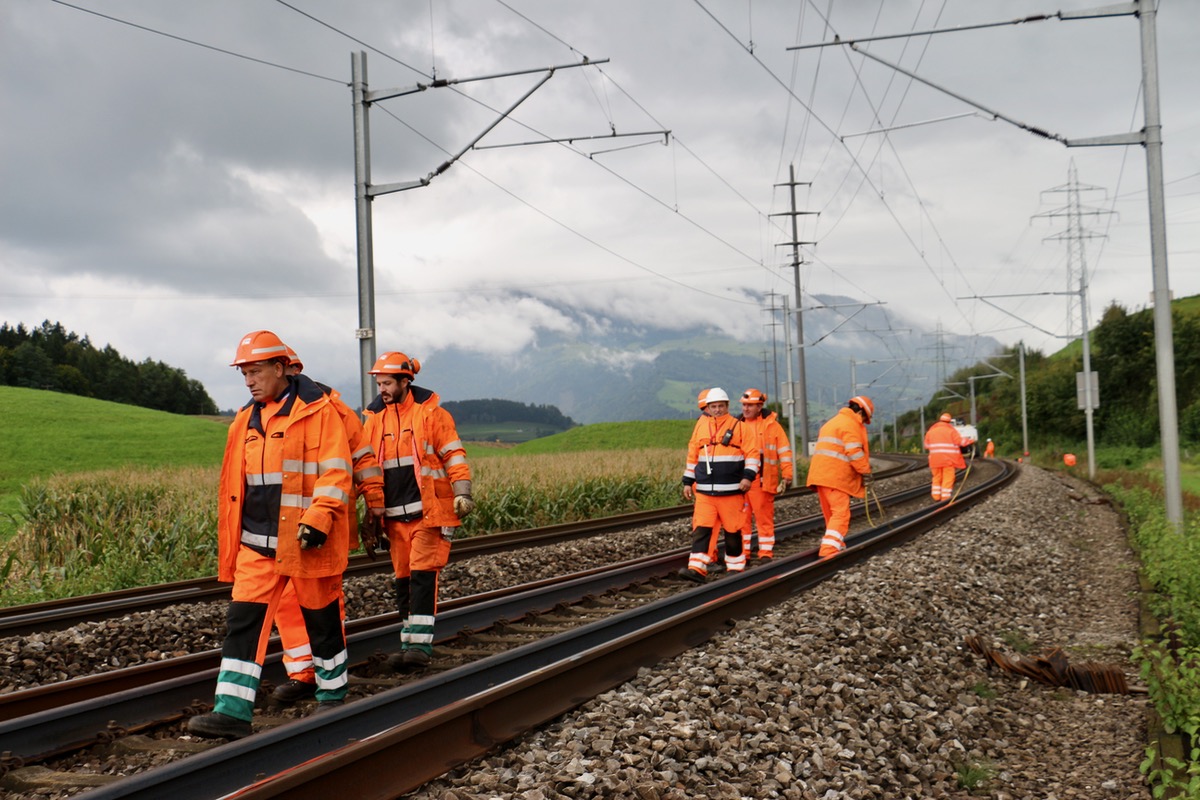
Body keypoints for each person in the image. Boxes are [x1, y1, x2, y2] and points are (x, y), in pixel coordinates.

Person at [188, 331, 354, 740]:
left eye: (255, 371)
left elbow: (336, 473)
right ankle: (231, 712)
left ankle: (333, 697)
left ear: (280, 369)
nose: (248, 380)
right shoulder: (244, 420)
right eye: (244, 372)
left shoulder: (318, 412)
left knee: (321, 617)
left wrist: (318, 517)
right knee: (243, 621)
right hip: (255, 543)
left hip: (305, 541)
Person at [267, 348, 386, 707]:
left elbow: (362, 458)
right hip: (280, 529)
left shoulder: (334, 410)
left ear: (290, 371)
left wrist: (375, 507)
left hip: (323, 527)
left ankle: (329, 677)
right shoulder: (263, 413)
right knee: (287, 602)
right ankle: (302, 672)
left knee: (321, 602)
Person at [362, 351, 474, 671]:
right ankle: (408, 641)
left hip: (427, 513)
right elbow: (367, 466)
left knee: (423, 575)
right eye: (378, 383)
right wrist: (371, 513)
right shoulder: (373, 419)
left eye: (387, 383)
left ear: (405, 381)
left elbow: (453, 453)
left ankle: (420, 647)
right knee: (404, 579)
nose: (381, 389)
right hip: (394, 518)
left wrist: (462, 491)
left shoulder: (431, 414)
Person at [679, 387, 759, 581]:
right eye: (713, 406)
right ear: (707, 407)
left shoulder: (739, 426)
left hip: (731, 491)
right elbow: (693, 455)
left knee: (733, 530)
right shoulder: (701, 426)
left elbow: (753, 454)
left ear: (727, 406)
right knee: (702, 529)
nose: (717, 410)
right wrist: (688, 481)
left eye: (720, 406)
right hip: (705, 492)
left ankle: (735, 569)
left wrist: (748, 477)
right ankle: (697, 568)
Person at [805, 395, 873, 558]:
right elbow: (854, 452)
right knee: (841, 514)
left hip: (820, 476)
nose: (863, 422)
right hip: (836, 477)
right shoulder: (851, 425)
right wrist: (865, 471)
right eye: (865, 418)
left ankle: (837, 544)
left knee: (831, 514)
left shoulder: (833, 422)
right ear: (861, 412)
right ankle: (828, 550)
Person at [737, 388, 793, 560]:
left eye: (750, 406)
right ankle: (743, 553)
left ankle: (765, 553)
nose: (746, 409)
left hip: (762, 481)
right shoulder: (737, 425)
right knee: (741, 520)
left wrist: (787, 475)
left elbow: (784, 451)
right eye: (744, 405)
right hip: (740, 481)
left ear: (759, 407)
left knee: (764, 518)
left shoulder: (772, 426)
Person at [924, 412, 966, 503]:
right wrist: (970, 441)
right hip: (948, 460)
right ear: (949, 421)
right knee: (948, 477)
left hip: (934, 460)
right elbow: (960, 442)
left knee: (936, 477)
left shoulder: (931, 431)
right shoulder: (951, 431)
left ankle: (936, 497)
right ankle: (945, 498)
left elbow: (926, 445)